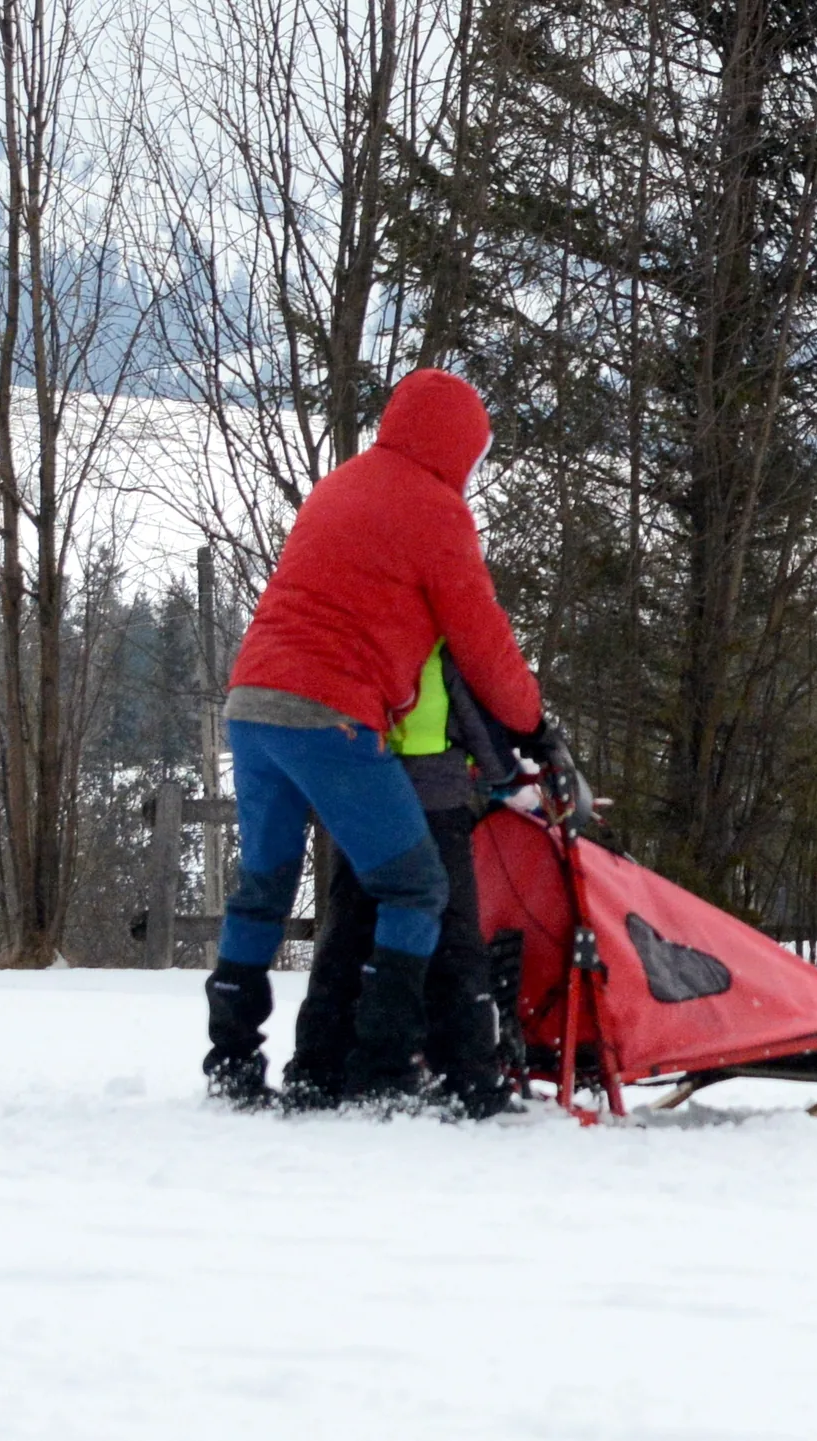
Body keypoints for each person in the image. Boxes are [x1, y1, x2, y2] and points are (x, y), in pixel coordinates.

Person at [204, 368, 548, 1107]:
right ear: (459, 446)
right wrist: (530, 718)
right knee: (416, 886)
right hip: (331, 715)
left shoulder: (341, 484)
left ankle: (231, 1061)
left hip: (251, 702)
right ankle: (384, 1069)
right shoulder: (437, 511)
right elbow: (483, 643)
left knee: (262, 888)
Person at [279, 645, 524, 1117]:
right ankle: (465, 1077)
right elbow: (478, 725)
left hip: (361, 799)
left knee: (349, 931)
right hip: (435, 801)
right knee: (453, 938)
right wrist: (506, 774)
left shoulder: (361, 637)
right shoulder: (441, 644)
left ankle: (320, 1069)